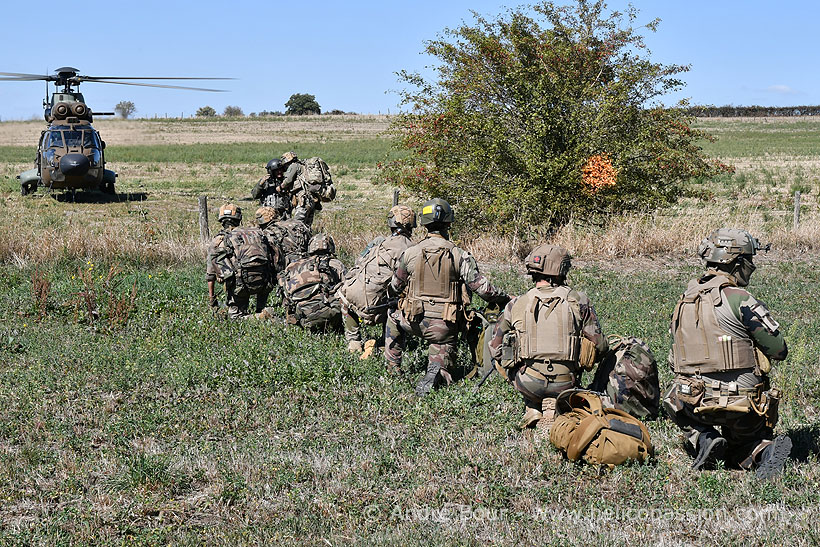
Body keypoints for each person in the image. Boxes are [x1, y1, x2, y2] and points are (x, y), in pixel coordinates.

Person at [663, 228, 791, 479]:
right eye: (749, 260)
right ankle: (762, 451)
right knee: (748, 439)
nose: (751, 266)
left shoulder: (685, 300)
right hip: (743, 403)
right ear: (737, 263)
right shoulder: (739, 298)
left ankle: (705, 437)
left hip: (694, 400)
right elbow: (779, 350)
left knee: (672, 398)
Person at [384, 198, 510, 396]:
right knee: (443, 353)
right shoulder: (459, 255)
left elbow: (394, 286)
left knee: (393, 318)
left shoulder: (410, 253)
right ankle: (438, 371)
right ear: (449, 223)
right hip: (445, 325)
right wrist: (504, 299)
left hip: (413, 321)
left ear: (424, 224)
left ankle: (393, 368)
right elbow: (483, 290)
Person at [488, 244, 608, 431]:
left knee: (500, 361)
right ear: (560, 269)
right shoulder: (578, 299)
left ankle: (533, 406)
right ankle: (558, 406)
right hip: (567, 383)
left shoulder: (516, 303)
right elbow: (599, 346)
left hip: (528, 383)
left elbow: (495, 349)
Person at [338, 205, 416, 357]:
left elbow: (359, 261)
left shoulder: (379, 242)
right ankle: (385, 344)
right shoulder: (411, 249)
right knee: (400, 298)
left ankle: (354, 343)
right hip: (377, 307)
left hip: (351, 297)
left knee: (346, 295)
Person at [206, 204, 277, 320]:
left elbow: (210, 276)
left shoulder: (218, 241)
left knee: (235, 317)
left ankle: (260, 316)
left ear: (221, 220)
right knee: (260, 305)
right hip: (264, 282)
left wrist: (212, 299)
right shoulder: (255, 233)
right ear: (239, 219)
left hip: (241, 285)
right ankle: (261, 310)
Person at [280, 233, 347, 331]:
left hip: (301, 318)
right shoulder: (335, 264)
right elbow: (348, 287)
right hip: (329, 313)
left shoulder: (295, 266)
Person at [279, 151, 320, 226]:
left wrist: (280, 187)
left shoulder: (293, 166)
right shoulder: (302, 165)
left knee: (297, 225)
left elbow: (288, 180)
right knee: (307, 225)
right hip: (311, 198)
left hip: (302, 199)